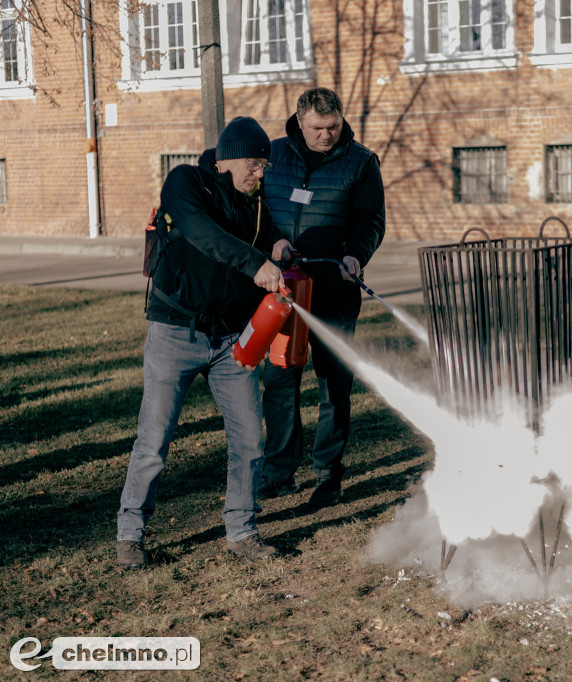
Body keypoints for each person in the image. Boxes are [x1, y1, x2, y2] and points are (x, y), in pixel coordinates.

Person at [116, 116, 295, 569]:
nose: (261, 172)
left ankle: (242, 529)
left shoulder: (255, 205)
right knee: (154, 438)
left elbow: (267, 235)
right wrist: (255, 262)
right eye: (256, 163)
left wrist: (279, 247)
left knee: (251, 440)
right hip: (175, 332)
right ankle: (130, 534)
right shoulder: (186, 182)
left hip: (231, 339)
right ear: (228, 158)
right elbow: (203, 234)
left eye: (264, 165)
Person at [258, 87, 386, 508]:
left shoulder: (361, 162)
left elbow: (371, 220)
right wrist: (273, 243)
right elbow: (255, 212)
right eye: (317, 128)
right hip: (284, 289)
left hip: (335, 291)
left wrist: (355, 254)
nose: (326, 136)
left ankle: (328, 474)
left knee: (333, 383)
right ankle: (279, 471)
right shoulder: (272, 156)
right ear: (299, 120)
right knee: (279, 380)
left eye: (332, 127)